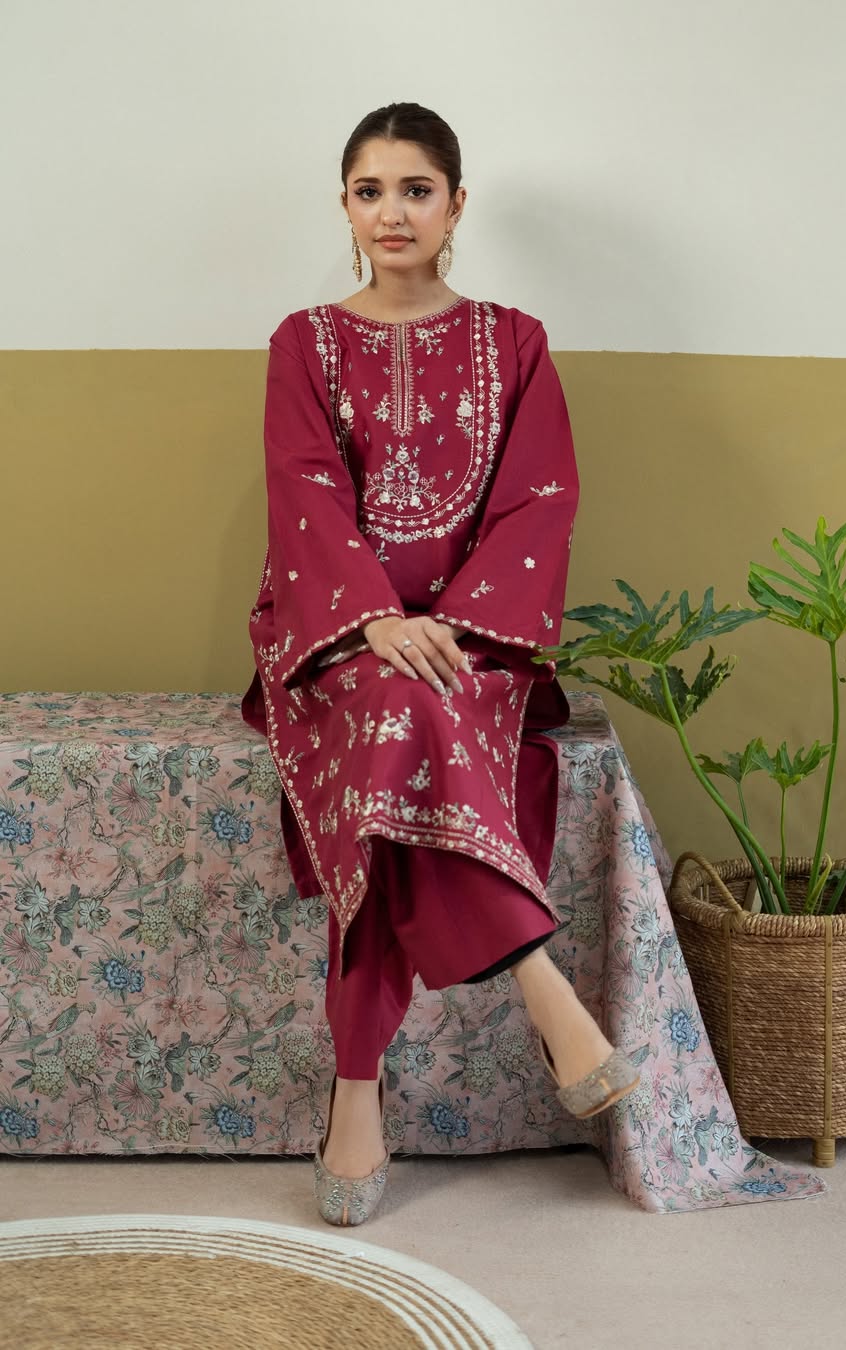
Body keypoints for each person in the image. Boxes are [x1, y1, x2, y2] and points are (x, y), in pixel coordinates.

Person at [241, 102, 638, 1225]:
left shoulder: (516, 342)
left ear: (456, 204)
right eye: (370, 191)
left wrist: (455, 629)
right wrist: (373, 619)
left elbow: (539, 503)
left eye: (416, 189)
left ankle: (354, 1093)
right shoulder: (304, 341)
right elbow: (305, 495)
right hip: (331, 632)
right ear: (345, 206)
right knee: (390, 705)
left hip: (477, 638)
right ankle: (542, 986)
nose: (393, 212)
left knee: (403, 733)